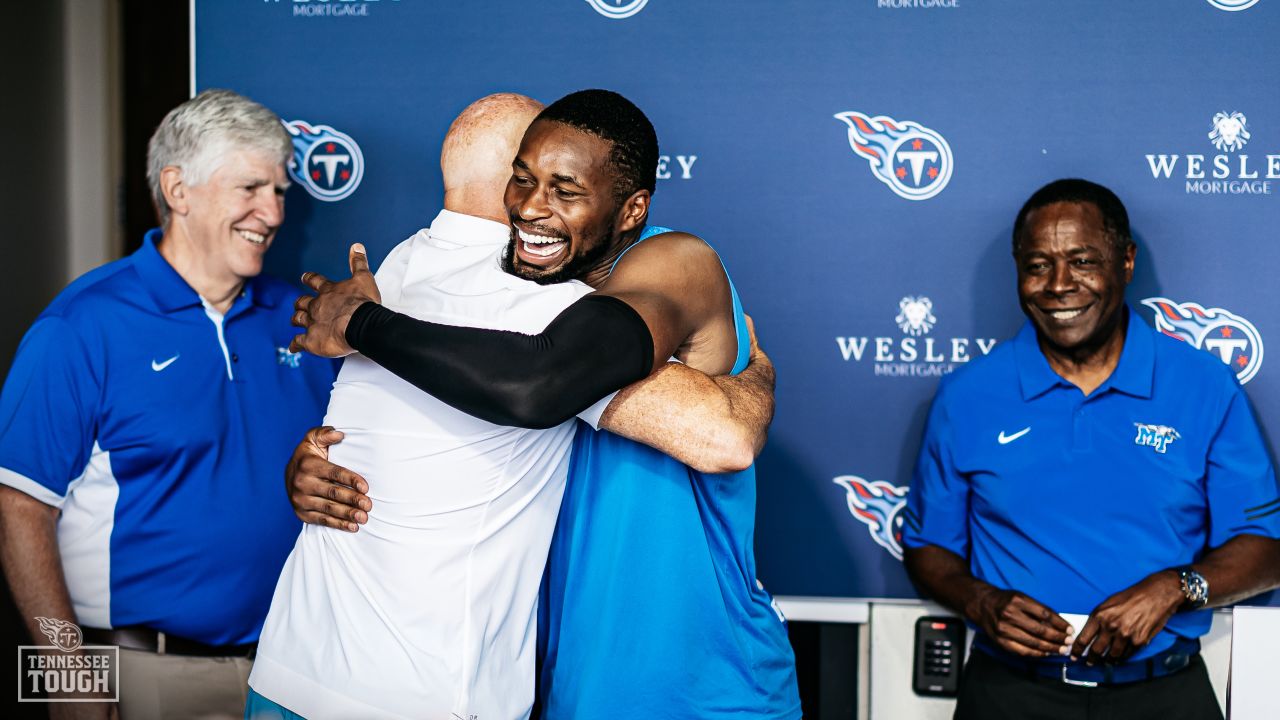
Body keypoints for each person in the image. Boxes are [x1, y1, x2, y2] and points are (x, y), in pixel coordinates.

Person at [246, 93, 779, 720]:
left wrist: (363, 323)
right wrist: (323, 458)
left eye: (566, 188)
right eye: (521, 179)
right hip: (565, 675)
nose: (529, 206)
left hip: (695, 679)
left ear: (630, 207)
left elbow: (723, 436)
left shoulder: (664, 261)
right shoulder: (508, 286)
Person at [0, 89, 338, 720]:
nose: (272, 213)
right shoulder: (80, 326)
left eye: (281, 191)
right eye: (251, 188)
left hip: (295, 666)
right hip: (140, 673)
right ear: (179, 190)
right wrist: (65, 678)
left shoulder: (300, 320)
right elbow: (17, 506)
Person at [902, 178, 1280, 720]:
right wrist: (980, 601)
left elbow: (1266, 551)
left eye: (1082, 261)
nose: (1058, 285)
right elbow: (926, 549)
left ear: (1126, 262)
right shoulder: (968, 396)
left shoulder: (1203, 386)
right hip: (1010, 693)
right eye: (1037, 265)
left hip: (1162, 694)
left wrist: (1174, 587)